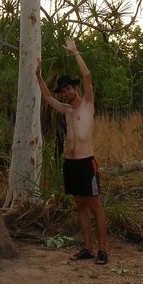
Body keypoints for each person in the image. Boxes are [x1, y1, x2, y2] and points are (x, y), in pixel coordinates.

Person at [35, 37, 108, 265]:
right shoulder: (66, 110)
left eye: (68, 88)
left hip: (87, 163)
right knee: (80, 205)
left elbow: (87, 76)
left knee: (95, 205)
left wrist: (75, 52)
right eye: (63, 91)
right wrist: (38, 76)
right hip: (71, 164)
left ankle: (102, 250)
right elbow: (46, 97)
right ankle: (87, 247)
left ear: (74, 88)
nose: (66, 93)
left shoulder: (87, 104)